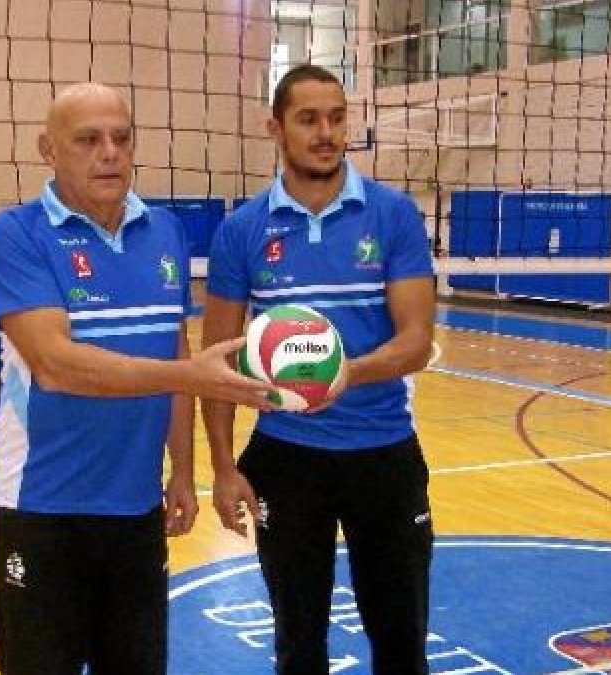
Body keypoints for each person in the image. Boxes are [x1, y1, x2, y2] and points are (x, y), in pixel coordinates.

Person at [0, 82, 273, 675]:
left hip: (136, 513)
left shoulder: (164, 231)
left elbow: (174, 349)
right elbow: (56, 365)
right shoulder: (17, 234)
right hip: (42, 508)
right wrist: (190, 374)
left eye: (121, 137)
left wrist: (183, 471)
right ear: (48, 150)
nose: (109, 152)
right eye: (88, 140)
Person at [201, 64, 438, 675]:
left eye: (336, 118)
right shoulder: (242, 230)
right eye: (308, 119)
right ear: (275, 128)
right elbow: (215, 361)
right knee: (298, 644)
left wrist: (345, 374)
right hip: (287, 462)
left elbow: (416, 342)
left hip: (384, 454)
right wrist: (224, 467)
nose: (326, 132)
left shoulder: (393, 214)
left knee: (402, 643)